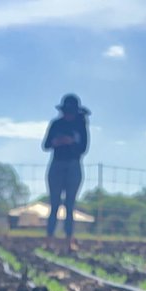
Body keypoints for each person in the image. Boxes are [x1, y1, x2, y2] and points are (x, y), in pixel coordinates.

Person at [42, 94, 90, 252]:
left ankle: (69, 241)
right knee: (54, 204)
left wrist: (71, 142)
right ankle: (49, 240)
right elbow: (46, 144)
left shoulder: (81, 125)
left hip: (73, 165)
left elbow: (83, 148)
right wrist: (57, 142)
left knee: (70, 205)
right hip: (57, 165)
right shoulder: (56, 124)